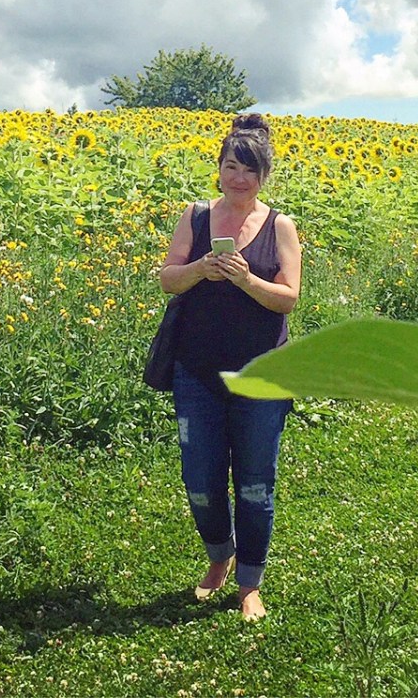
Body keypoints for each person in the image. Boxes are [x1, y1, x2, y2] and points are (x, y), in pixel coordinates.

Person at [158, 113, 301, 621]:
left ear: (264, 176)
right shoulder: (195, 218)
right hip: (197, 373)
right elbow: (168, 279)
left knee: (256, 482)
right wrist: (200, 269)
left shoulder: (279, 225)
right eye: (231, 167)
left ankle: (249, 584)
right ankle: (220, 558)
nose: (239, 178)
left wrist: (245, 281)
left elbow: (288, 299)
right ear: (218, 168)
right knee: (200, 477)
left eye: (250, 170)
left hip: (262, 375)